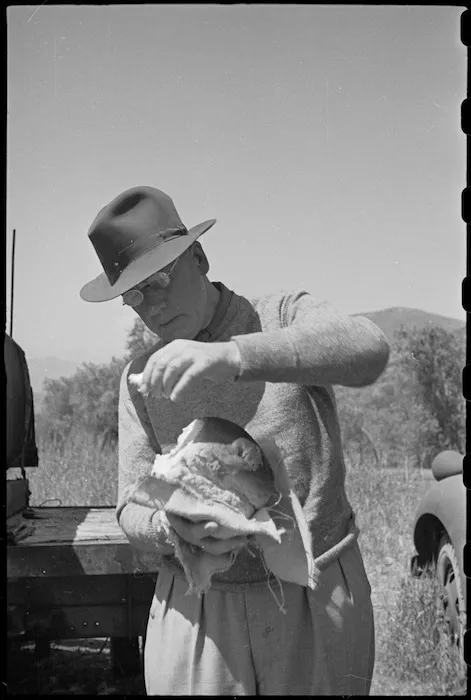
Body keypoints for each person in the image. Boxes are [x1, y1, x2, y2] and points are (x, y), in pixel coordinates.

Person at [80, 185, 390, 696]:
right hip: (199, 611)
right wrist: (174, 529)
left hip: (315, 595)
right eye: (133, 295)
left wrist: (235, 356)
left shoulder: (283, 316)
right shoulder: (139, 376)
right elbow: (129, 507)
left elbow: (369, 349)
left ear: (198, 257)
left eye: (159, 281)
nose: (151, 308)